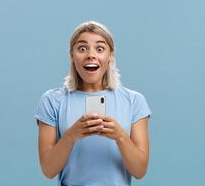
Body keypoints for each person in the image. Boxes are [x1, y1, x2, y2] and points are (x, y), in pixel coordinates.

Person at [35, 21, 152, 186]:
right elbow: (48, 170)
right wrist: (71, 135)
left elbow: (140, 171)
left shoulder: (134, 101)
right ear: (72, 55)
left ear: (110, 55)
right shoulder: (52, 100)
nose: (91, 55)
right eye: (82, 48)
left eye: (100, 48)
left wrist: (120, 135)